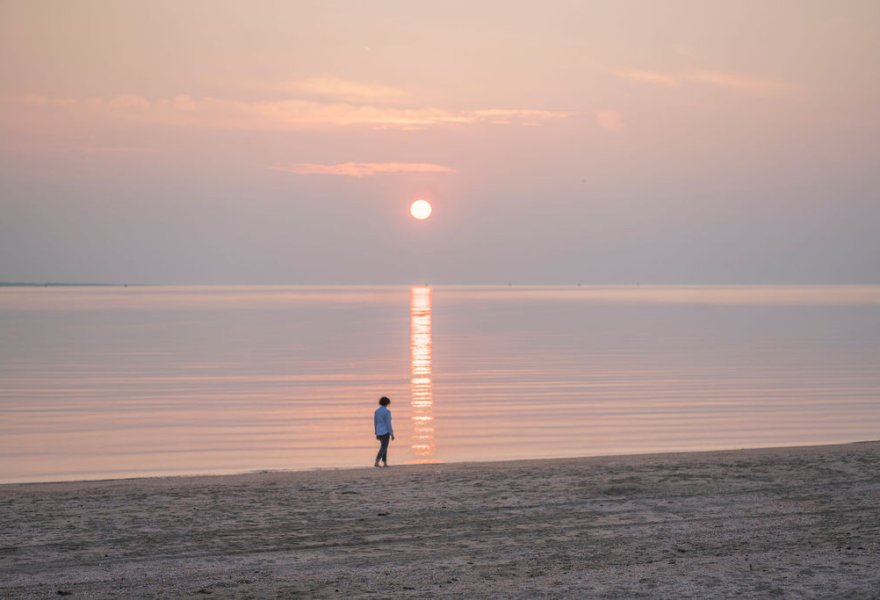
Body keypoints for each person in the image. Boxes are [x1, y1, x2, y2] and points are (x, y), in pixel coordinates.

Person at [374, 396, 394, 467]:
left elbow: (375, 422)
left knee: (384, 447)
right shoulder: (387, 412)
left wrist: (376, 432)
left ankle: (385, 462)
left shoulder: (377, 411)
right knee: (384, 447)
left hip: (379, 431)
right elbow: (388, 423)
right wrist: (392, 433)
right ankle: (377, 461)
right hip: (385, 431)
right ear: (387, 403)